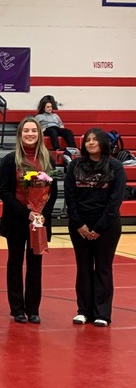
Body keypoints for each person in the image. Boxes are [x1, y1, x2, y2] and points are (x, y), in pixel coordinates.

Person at [0, 118, 57, 325]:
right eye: (26, 131)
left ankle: (33, 309)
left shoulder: (48, 159)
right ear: (20, 134)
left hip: (39, 222)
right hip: (16, 220)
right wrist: (27, 213)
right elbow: (3, 192)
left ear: (39, 134)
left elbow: (54, 192)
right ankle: (17, 309)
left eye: (34, 131)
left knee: (35, 265)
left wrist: (42, 214)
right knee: (14, 263)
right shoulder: (10, 159)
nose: (30, 134)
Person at [65, 128, 126, 327]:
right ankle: (83, 311)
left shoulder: (115, 166)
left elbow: (115, 200)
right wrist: (80, 224)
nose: (91, 143)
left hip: (107, 226)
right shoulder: (75, 165)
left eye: (94, 140)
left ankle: (102, 313)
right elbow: (70, 197)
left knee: (103, 268)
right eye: (87, 140)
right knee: (83, 267)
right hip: (79, 225)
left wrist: (99, 227)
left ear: (103, 143)